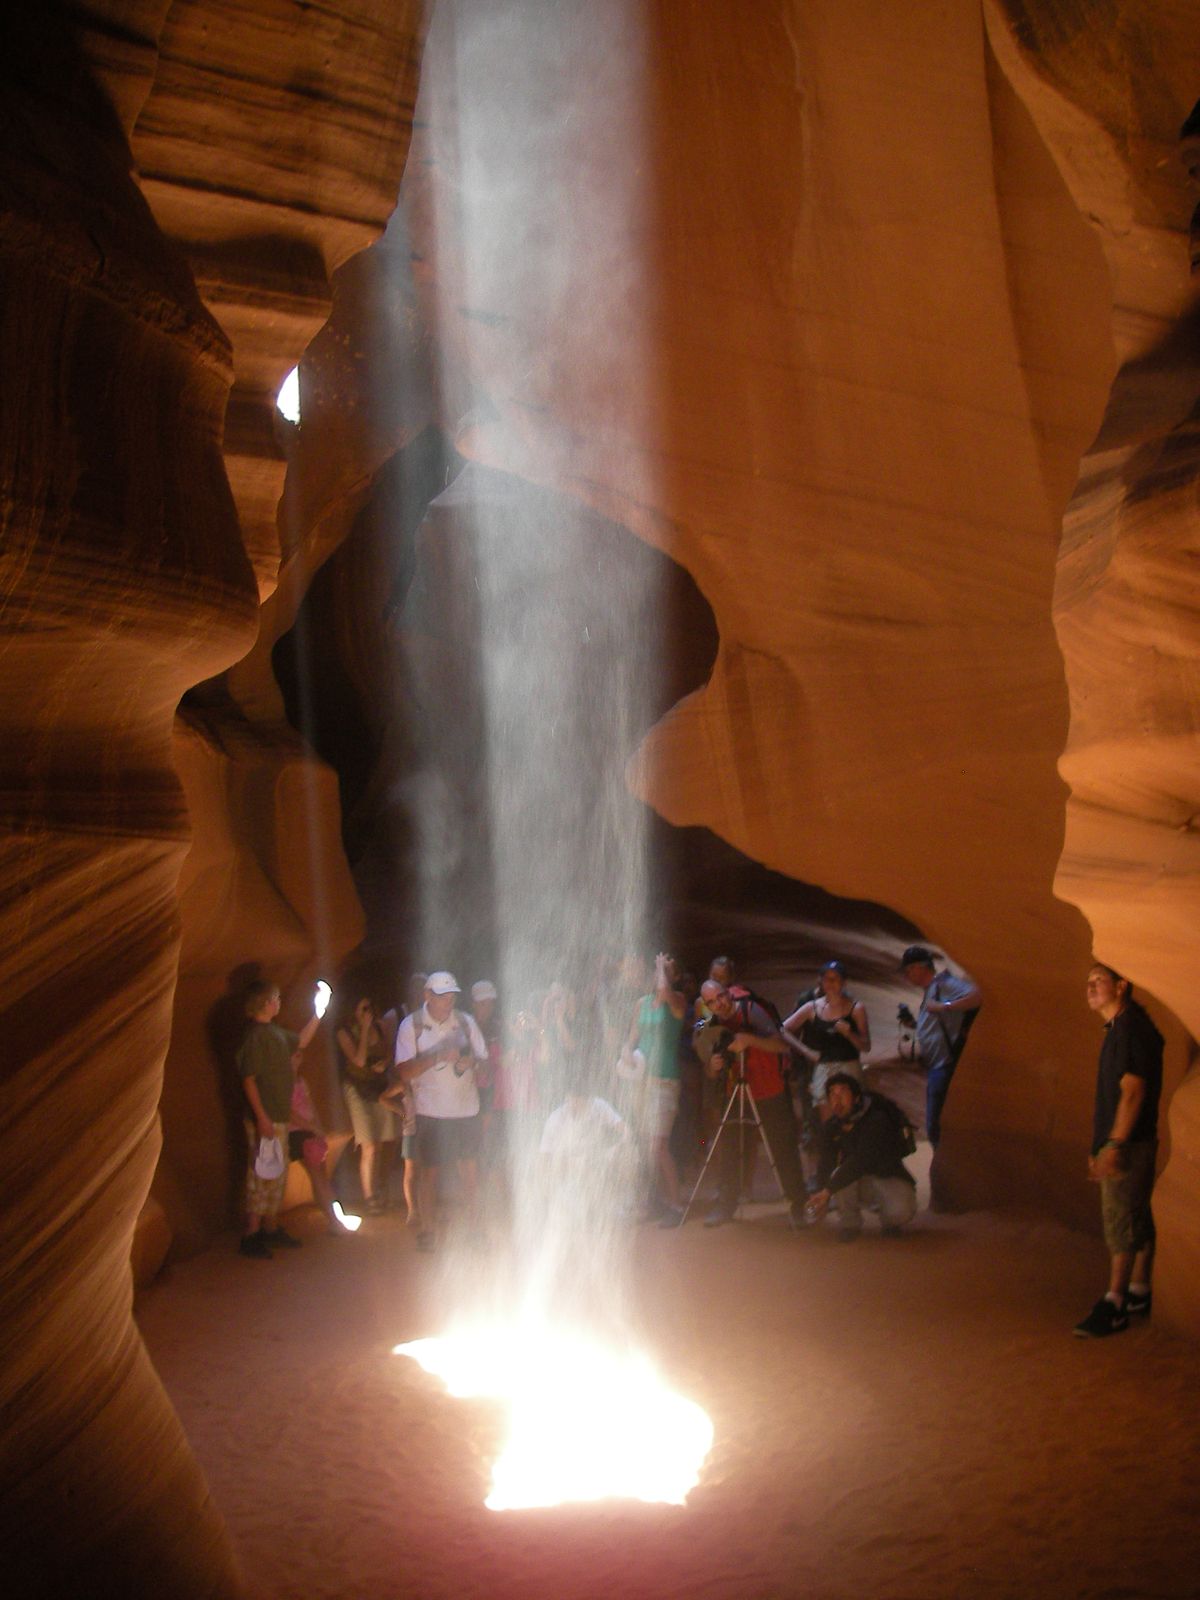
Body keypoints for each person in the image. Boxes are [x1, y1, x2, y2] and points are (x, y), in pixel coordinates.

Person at [1073, 963, 1164, 1339]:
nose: (1091, 987)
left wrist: (1113, 1144)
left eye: (1099, 981)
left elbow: (1133, 1091)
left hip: (1129, 1143)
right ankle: (1139, 1290)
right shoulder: (1121, 1029)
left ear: (1122, 986)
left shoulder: (1130, 1031)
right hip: (1129, 1140)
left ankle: (1115, 1303)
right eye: (1088, 982)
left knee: (1120, 1223)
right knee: (1136, 1215)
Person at [697, 979, 807, 1227]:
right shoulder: (710, 1021)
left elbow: (780, 1044)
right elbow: (708, 1056)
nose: (719, 1004)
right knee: (730, 1149)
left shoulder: (751, 1010)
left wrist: (749, 1039)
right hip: (735, 1090)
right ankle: (726, 1205)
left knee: (782, 1147)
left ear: (728, 993)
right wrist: (712, 1066)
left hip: (770, 1089)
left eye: (721, 997)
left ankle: (798, 1203)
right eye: (711, 1002)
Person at [393, 971, 487, 1252]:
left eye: (452, 997)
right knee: (429, 1172)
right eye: (443, 997)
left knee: (469, 1171)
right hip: (431, 1111)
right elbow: (403, 1071)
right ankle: (428, 1231)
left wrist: (471, 1065)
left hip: (466, 1108)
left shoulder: (466, 1023)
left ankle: (474, 1228)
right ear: (427, 996)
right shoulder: (413, 1026)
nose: (449, 1002)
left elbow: (485, 1066)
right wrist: (436, 1057)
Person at [237, 979, 325, 1258]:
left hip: (278, 1117)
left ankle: (270, 1228)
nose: (279, 1002)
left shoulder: (275, 1033)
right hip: (265, 1117)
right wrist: (262, 1118)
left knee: (276, 1173)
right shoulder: (254, 1037)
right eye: (275, 998)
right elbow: (249, 1080)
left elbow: (301, 1041)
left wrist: (319, 1013)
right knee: (260, 1173)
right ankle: (251, 1235)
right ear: (265, 1003)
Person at [806, 1072, 917, 1240]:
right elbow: (826, 1163)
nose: (837, 1100)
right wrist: (821, 1195)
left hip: (887, 1176)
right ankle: (849, 1224)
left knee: (901, 1211)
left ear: (857, 1098)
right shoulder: (832, 1126)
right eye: (832, 1094)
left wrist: (827, 1192)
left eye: (843, 1092)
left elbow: (861, 1160)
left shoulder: (877, 1119)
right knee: (838, 1175)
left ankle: (889, 1223)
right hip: (857, 1179)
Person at [625, 952, 687, 1227]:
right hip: (641, 1081)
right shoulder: (641, 1004)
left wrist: (661, 964)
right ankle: (656, 1201)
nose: (658, 975)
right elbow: (631, 1040)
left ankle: (676, 1205)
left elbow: (664, 991)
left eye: (664, 971)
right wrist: (625, 1052)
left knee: (659, 1145)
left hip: (664, 1081)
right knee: (645, 1146)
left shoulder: (678, 1002)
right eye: (657, 970)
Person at [900, 945, 981, 1148]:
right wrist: (914, 1025)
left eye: (909, 970)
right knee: (936, 1124)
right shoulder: (932, 990)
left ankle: (945, 1168)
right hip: (937, 1066)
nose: (907, 975)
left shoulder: (943, 984)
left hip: (945, 1066)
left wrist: (944, 1007)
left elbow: (978, 996)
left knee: (936, 1125)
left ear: (921, 967)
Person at [335, 994, 396, 1215]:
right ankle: (369, 1196)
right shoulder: (345, 1032)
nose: (367, 1011)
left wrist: (384, 1063)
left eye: (369, 1007)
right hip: (357, 1088)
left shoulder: (380, 1027)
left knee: (382, 1143)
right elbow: (359, 1060)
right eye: (362, 1008)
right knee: (368, 1144)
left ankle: (379, 1188)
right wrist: (363, 1028)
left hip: (379, 1086)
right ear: (353, 1011)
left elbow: (389, 1052)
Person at [783, 960, 871, 1113]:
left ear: (843, 982)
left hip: (849, 1067)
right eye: (826, 979)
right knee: (826, 1117)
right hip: (824, 1069)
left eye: (835, 979)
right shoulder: (812, 1007)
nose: (830, 983)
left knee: (853, 1114)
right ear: (821, 982)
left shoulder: (856, 1008)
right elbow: (782, 1029)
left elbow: (866, 1046)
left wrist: (849, 1034)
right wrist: (806, 1051)